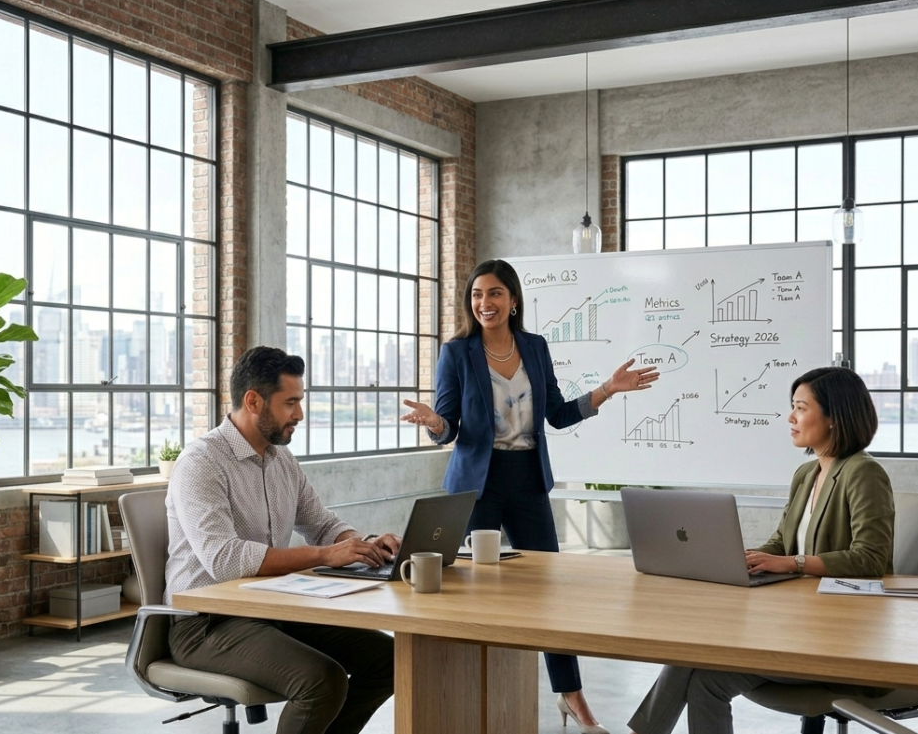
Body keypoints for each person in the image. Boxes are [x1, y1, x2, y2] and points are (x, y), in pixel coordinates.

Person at [400, 258, 660, 734]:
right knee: (472, 591)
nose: (485, 303)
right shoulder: (456, 353)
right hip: (476, 483)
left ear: (513, 299)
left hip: (527, 479)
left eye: (495, 293)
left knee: (548, 593)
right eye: (477, 295)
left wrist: (607, 389)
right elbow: (448, 427)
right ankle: (466, 695)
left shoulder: (535, 348)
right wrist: (434, 423)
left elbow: (558, 414)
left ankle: (572, 697)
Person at [627, 366, 895, 734]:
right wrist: (740, 556)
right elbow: (782, 542)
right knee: (701, 664)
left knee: (702, 660)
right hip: (799, 625)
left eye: (801, 408)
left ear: (834, 417)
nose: (790, 417)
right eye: (792, 406)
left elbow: (871, 559)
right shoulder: (807, 474)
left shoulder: (863, 472)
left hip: (840, 641)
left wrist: (791, 563)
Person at [165, 346, 400, 734]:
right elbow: (224, 560)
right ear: (253, 401)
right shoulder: (201, 462)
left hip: (272, 609)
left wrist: (366, 544)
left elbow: (321, 524)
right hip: (206, 624)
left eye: (300, 401)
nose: (300, 414)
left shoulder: (280, 459)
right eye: (290, 403)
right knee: (321, 680)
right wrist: (326, 554)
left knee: (389, 659)